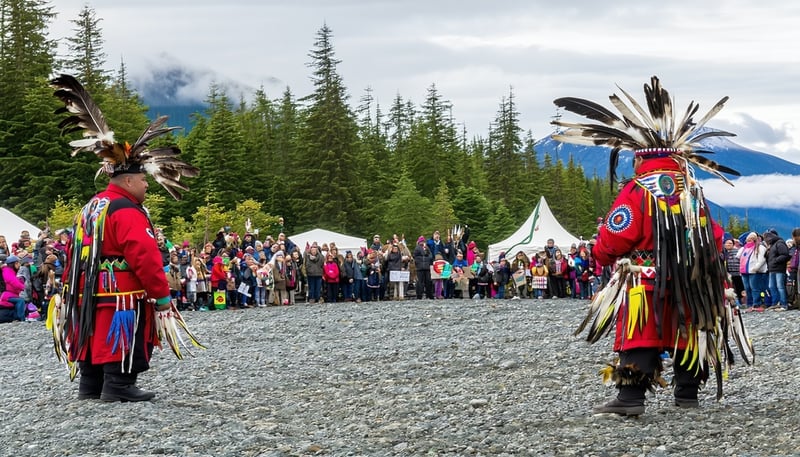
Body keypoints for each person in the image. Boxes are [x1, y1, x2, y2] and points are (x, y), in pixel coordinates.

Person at [553, 76, 746, 416]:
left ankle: (630, 399)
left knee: (641, 331)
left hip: (647, 278)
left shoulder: (638, 189)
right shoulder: (691, 192)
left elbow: (617, 235)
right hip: (693, 279)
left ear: (640, 160)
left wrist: (600, 253)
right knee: (690, 327)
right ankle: (687, 395)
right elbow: (715, 236)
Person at [50, 74, 201, 402]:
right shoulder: (126, 211)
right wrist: (161, 296)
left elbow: (74, 250)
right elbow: (143, 255)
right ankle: (118, 386)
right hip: (122, 291)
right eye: (144, 181)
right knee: (119, 333)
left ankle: (91, 386)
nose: (147, 186)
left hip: (85, 289)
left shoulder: (92, 206)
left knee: (91, 333)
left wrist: (67, 287)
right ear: (130, 180)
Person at [738, 232, 768, 311]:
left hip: (754, 272)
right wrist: (743, 247)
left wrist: (755, 268)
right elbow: (738, 255)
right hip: (744, 271)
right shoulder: (744, 248)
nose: (749, 240)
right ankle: (749, 304)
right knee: (747, 288)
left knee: (754, 288)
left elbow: (762, 260)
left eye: (752, 238)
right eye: (748, 238)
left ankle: (756, 304)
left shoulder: (760, 247)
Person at [763, 229, 791, 310]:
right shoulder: (772, 245)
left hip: (779, 269)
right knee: (772, 286)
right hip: (772, 269)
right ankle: (775, 303)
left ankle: (784, 304)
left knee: (780, 286)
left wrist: (775, 261)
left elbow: (785, 255)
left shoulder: (780, 243)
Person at [0, 256, 27, 322]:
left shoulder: (10, 271)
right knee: (21, 301)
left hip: (10, 294)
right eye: (17, 263)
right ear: (13, 264)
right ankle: (21, 319)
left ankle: (19, 318)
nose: (19, 265)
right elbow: (12, 281)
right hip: (8, 295)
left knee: (19, 302)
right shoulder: (7, 270)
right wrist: (22, 286)